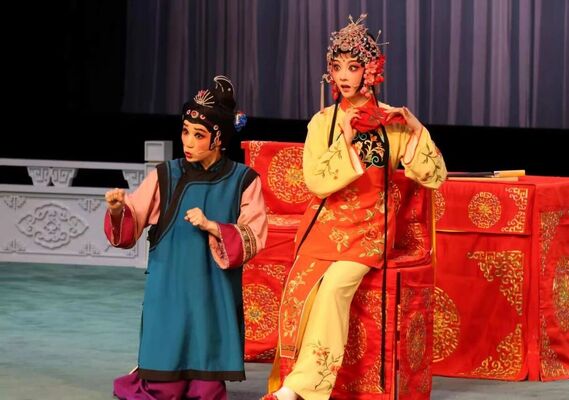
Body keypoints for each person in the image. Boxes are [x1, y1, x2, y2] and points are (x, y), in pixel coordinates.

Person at [262, 14, 447, 400]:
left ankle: (300, 388)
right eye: (337, 67)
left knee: (333, 289)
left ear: (371, 70)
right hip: (324, 227)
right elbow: (316, 182)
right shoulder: (323, 123)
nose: (343, 76)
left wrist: (417, 131)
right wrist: (344, 139)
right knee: (299, 291)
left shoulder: (392, 122)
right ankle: (296, 377)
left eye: (353, 66)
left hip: (370, 230)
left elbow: (434, 176)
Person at [104, 75, 268, 400]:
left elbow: (254, 235)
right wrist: (118, 211)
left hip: (211, 293)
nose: (188, 142)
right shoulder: (166, 175)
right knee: (164, 389)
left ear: (218, 139)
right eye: (185, 132)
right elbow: (133, 221)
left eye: (198, 135)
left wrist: (213, 227)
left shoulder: (243, 180)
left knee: (207, 390)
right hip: (170, 290)